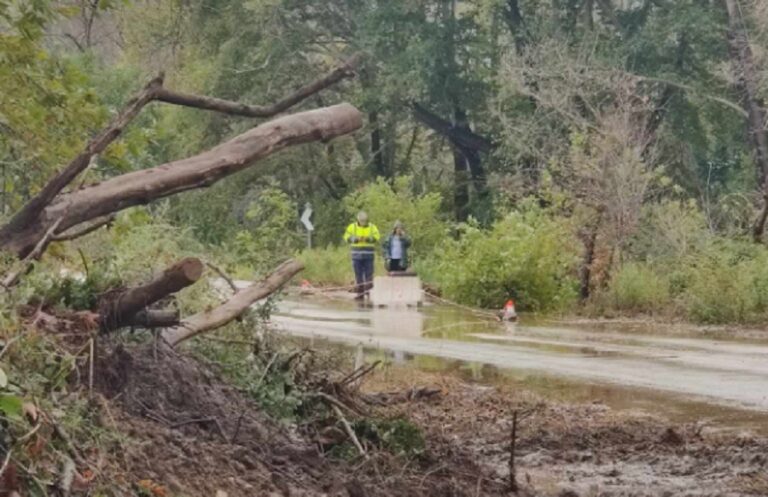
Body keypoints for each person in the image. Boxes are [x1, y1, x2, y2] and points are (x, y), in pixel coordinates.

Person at [343, 211, 380, 299]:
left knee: (369, 276)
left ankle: (369, 293)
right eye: (361, 221)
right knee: (358, 275)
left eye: (364, 221)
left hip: (368, 256)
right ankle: (360, 294)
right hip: (356, 256)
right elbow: (346, 237)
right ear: (358, 220)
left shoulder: (372, 227)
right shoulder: (352, 227)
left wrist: (368, 239)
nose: (363, 223)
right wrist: (354, 239)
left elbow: (377, 236)